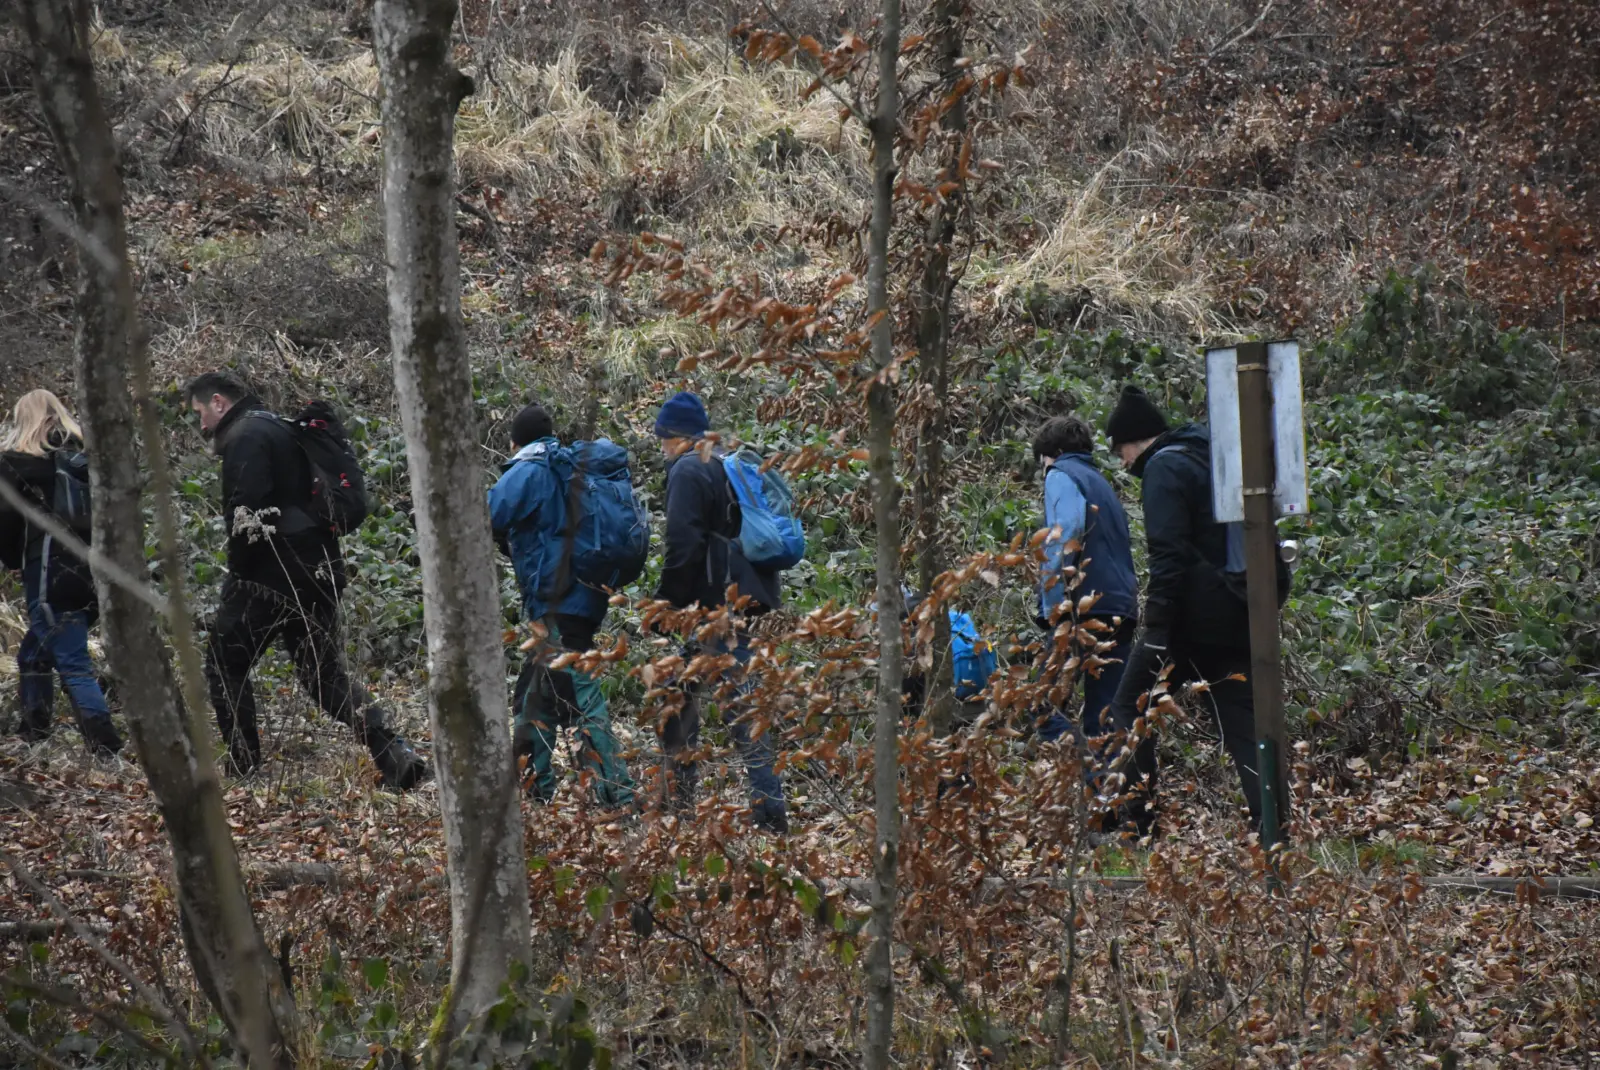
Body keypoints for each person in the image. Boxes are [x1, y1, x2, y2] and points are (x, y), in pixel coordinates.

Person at [183, 371, 427, 790]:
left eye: (200, 413)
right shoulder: (278, 427)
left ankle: (243, 773)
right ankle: (395, 754)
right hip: (319, 568)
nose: (201, 425)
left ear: (219, 402)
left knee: (225, 663)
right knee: (323, 675)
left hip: (271, 573)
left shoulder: (246, 436)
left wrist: (237, 586)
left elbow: (247, 519)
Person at [1102, 384, 1283, 835]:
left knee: (1129, 707)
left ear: (1134, 440)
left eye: (1119, 450)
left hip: (1191, 620)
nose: (1122, 463)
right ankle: (1273, 826)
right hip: (1240, 609)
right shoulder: (1208, 455)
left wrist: (1159, 626)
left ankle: (1137, 825)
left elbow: (1168, 554)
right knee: (1243, 722)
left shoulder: (1163, 469)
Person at [652, 391, 789, 834]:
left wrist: (667, 605)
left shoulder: (689, 470)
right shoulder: (727, 462)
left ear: (676, 437)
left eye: (662, 440)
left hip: (711, 608)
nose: (661, 449)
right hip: (746, 598)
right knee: (715, 702)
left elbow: (681, 544)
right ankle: (757, 810)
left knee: (702, 704)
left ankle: (703, 810)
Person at [489, 403, 637, 809]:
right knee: (532, 697)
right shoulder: (569, 466)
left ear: (516, 440)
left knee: (580, 695)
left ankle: (618, 794)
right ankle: (531, 790)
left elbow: (486, 514)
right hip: (586, 595)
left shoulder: (531, 469)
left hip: (557, 601)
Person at [0, 390, 122, 756]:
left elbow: (5, 524)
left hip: (50, 573)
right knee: (32, 656)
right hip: (95, 577)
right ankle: (34, 737)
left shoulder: (15, 463)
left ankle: (107, 750)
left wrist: (12, 558)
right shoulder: (88, 460)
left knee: (73, 663)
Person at [1032, 415, 1139, 747]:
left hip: (1083, 607)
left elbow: (1064, 535)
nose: (1043, 470)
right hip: (1120, 608)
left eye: (1043, 462)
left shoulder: (1061, 475)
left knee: (1043, 707)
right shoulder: (1100, 483)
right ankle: (1107, 793)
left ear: (1054, 453)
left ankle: (1083, 775)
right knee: (1105, 718)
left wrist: (1052, 603)